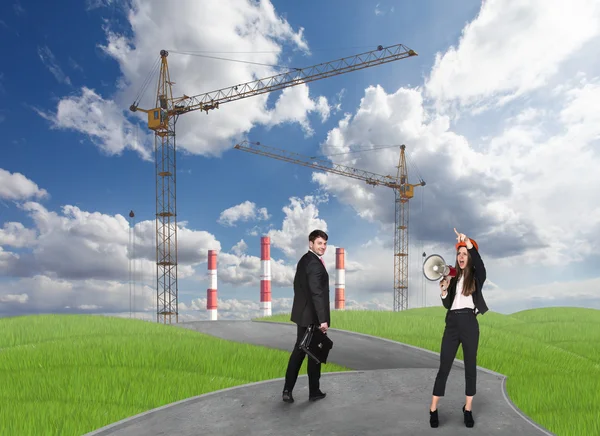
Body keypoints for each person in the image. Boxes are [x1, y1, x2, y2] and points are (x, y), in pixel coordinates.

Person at [429, 228, 488, 429]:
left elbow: (480, 264)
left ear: (470, 257)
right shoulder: (453, 277)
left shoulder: (477, 276)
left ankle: (468, 409)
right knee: (444, 365)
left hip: (470, 323)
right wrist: (444, 291)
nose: (461, 256)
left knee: (470, 367)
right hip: (452, 322)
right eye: (459, 253)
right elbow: (447, 305)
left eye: (465, 253)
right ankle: (433, 408)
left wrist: (466, 241)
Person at [282, 229, 331, 403]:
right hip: (313, 317)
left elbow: (298, 287)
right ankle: (313, 391)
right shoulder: (314, 264)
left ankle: (289, 390)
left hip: (303, 314)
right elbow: (317, 293)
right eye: (319, 243)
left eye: (325, 243)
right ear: (311, 243)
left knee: (300, 351)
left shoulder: (304, 260)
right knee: (313, 353)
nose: (323, 247)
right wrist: (322, 319)